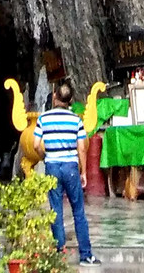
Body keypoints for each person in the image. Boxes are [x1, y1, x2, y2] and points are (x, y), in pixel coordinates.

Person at [33, 79, 99, 264]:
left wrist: (44, 156)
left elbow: (35, 145)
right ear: (70, 100)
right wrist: (83, 172)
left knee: (56, 211)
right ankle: (86, 255)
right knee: (78, 211)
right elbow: (82, 149)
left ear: (55, 97)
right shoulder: (76, 120)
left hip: (52, 166)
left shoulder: (43, 119)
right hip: (71, 168)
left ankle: (58, 253)